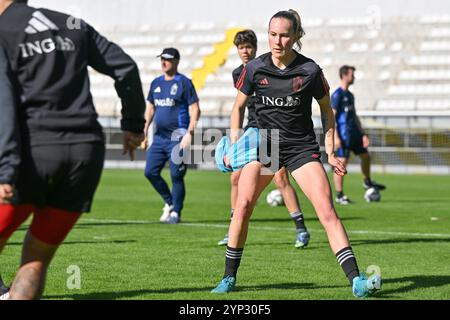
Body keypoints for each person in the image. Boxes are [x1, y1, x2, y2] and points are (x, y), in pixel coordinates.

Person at [211, 9, 381, 298]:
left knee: (327, 212)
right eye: (272, 34)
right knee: (243, 206)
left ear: (297, 36)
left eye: (284, 35)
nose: (277, 41)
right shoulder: (254, 69)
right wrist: (233, 144)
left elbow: (327, 111)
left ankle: (356, 280)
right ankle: (228, 278)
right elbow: (237, 108)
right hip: (266, 148)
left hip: (301, 148)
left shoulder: (310, 71)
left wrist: (329, 151)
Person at [0, 0, 145, 299]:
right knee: (36, 255)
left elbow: (3, 103)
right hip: (85, 154)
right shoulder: (71, 24)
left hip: (32, 154)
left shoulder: (3, 31)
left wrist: (5, 167)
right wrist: (132, 124)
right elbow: (126, 68)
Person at [217, 29, 310, 249]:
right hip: (252, 130)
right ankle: (233, 227)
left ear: (255, 47)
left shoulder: (264, 68)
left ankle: (301, 229)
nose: (245, 51)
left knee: (280, 179)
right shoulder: (239, 73)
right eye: (241, 48)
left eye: (248, 47)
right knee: (235, 178)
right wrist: (235, 137)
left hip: (270, 131)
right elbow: (240, 106)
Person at [143, 48, 201, 224]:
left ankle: (176, 212)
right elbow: (150, 108)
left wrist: (189, 133)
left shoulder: (184, 83)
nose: (163, 62)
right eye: (161, 59)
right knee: (150, 172)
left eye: (167, 59)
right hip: (159, 138)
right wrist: (144, 131)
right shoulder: (155, 83)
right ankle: (169, 202)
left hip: (178, 137)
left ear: (176, 61)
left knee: (176, 175)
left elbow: (195, 109)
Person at [331, 65, 385, 205]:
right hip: (343, 135)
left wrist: (363, 134)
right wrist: (335, 137)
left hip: (354, 134)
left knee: (366, 157)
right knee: (342, 164)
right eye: (352, 74)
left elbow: (354, 116)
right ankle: (339, 195)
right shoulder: (337, 95)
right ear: (344, 76)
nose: (353, 77)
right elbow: (331, 117)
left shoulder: (350, 95)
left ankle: (367, 182)